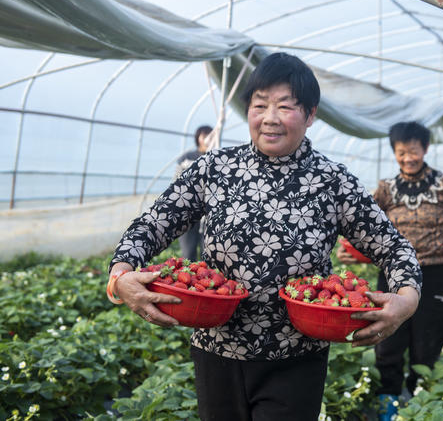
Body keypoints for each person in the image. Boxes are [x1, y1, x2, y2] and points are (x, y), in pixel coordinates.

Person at [106, 52, 422, 421]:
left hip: (296, 357)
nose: (270, 118)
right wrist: (120, 276)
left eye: (285, 106)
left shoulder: (333, 182)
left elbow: (394, 248)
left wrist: (406, 302)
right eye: (260, 105)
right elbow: (152, 225)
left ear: (311, 114)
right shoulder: (215, 169)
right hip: (216, 349)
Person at [337, 121, 443, 421]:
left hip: (435, 274)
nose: (408, 158)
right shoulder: (386, 189)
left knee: (428, 342)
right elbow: (361, 224)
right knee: (388, 342)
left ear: (426, 149)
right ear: (395, 152)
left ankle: (423, 403)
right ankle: (387, 408)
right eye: (402, 152)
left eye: (414, 151)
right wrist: (352, 251)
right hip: (392, 276)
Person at [174, 125, 212, 261]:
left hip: (207, 217)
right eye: (204, 136)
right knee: (188, 253)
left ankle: (203, 281)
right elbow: (177, 183)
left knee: (206, 256)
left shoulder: (217, 159)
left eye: (210, 136)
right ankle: (188, 280)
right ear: (198, 138)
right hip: (187, 213)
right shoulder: (187, 158)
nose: (208, 139)